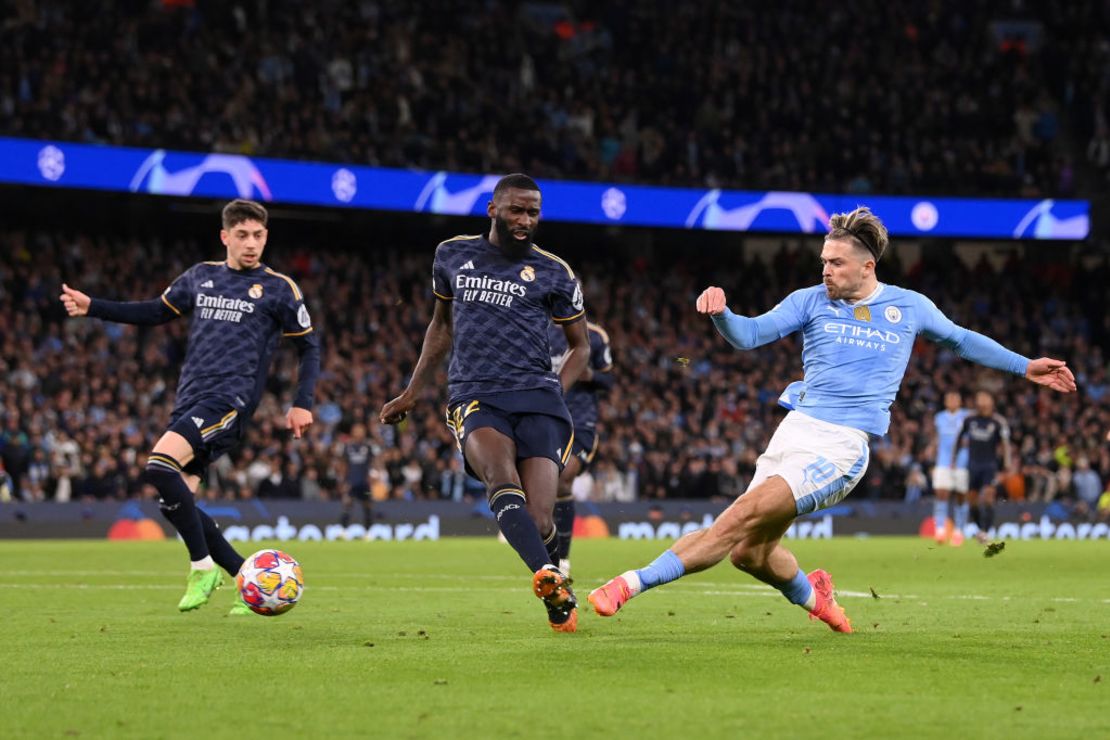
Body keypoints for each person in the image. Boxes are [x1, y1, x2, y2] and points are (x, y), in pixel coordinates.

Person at [588, 206, 1076, 633]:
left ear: (867, 266)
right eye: (823, 261)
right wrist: (722, 313)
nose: (825, 270)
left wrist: (1025, 365)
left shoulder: (908, 307)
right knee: (749, 553)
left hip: (841, 446)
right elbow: (749, 335)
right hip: (794, 432)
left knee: (734, 522)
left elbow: (963, 339)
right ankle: (814, 596)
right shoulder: (809, 300)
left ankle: (626, 585)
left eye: (835, 263)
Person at [59, 199, 320, 614]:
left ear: (266, 237)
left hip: (229, 401)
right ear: (225, 237)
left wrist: (301, 403)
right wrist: (95, 307)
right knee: (177, 501)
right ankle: (241, 576)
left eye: (258, 235)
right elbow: (153, 312)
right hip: (190, 398)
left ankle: (202, 567)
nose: (251, 244)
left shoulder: (278, 288)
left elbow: (309, 346)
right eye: (242, 235)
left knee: (158, 466)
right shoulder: (201, 277)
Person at [379, 174, 590, 632]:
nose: (525, 220)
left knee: (539, 520)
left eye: (533, 212)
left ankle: (555, 590)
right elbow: (441, 326)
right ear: (493, 209)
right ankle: (550, 576)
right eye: (516, 210)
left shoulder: (555, 270)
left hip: (538, 397)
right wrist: (413, 392)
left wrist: (557, 388)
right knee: (499, 474)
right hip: (475, 392)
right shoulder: (452, 254)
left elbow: (582, 346)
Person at [547, 317, 614, 574]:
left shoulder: (595, 335)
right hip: (545, 417)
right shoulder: (536, 328)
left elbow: (609, 380)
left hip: (580, 423)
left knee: (564, 479)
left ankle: (562, 559)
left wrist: (589, 375)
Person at [954, 390, 1010, 544]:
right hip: (972, 466)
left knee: (988, 496)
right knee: (972, 501)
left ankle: (985, 531)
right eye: (979, 398)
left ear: (991, 401)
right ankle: (980, 529)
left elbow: (1005, 445)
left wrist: (1007, 464)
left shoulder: (998, 422)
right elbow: (958, 440)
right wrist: (953, 460)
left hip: (989, 465)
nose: (981, 401)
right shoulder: (968, 420)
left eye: (985, 398)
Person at [932, 391, 971, 545]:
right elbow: (937, 438)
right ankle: (940, 530)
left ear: (960, 401)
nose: (953, 401)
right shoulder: (939, 417)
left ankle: (959, 531)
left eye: (956, 398)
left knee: (960, 496)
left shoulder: (967, 416)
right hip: (943, 461)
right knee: (941, 493)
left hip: (962, 461)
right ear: (945, 402)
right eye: (950, 399)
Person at [339, 423, 375, 530]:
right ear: (353, 432)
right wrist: (343, 481)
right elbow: (344, 465)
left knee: (367, 505)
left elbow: (372, 463)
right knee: (347, 504)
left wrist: (372, 476)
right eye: (357, 430)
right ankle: (343, 530)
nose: (360, 432)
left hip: (364, 482)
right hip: (351, 481)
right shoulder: (347, 447)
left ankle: (368, 531)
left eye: (361, 430)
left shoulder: (368, 447)